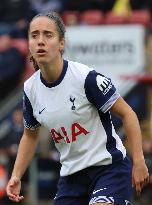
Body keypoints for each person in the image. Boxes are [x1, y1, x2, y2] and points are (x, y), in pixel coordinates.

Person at [6, 11, 149, 205]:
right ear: (29, 44)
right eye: (34, 35)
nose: (40, 41)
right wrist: (16, 175)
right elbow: (30, 135)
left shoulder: (85, 78)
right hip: (71, 178)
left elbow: (128, 114)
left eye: (48, 35)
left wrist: (139, 161)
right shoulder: (30, 89)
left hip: (109, 169)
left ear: (62, 43)